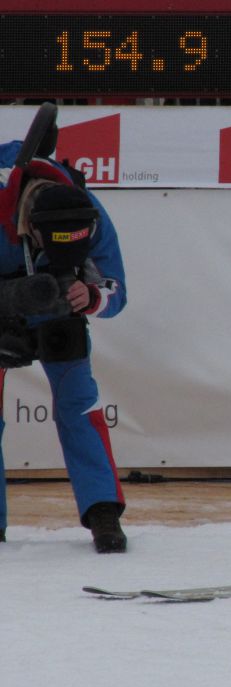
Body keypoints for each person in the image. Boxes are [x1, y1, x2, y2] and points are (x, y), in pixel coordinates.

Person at [0, 139, 128, 553]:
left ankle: (103, 512)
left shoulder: (91, 213)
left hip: (57, 310)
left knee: (78, 403)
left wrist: (91, 296)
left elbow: (117, 293)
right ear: (31, 227)